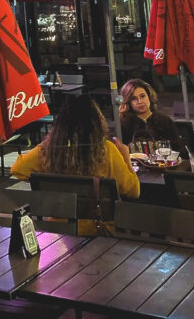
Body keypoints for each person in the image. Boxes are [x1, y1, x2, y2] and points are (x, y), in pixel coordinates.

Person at [11, 95, 138, 234]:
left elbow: (17, 169)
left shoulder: (48, 151)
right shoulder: (107, 150)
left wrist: (49, 145)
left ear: (60, 126)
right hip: (99, 232)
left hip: (58, 231)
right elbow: (133, 191)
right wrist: (126, 157)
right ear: (96, 123)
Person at [118, 79, 187, 155]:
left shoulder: (164, 121)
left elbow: (180, 152)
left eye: (142, 96)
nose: (140, 101)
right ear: (128, 102)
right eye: (134, 99)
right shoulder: (124, 124)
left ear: (149, 96)